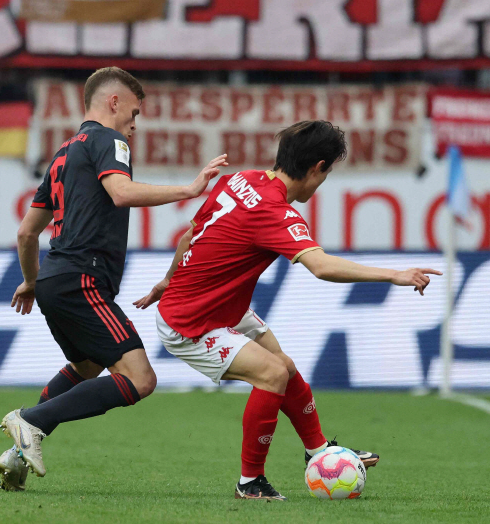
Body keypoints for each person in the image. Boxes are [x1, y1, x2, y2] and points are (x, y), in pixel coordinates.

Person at [136, 121, 439, 500]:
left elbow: (189, 234)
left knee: (285, 366)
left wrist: (168, 279)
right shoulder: (275, 212)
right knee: (272, 374)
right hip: (191, 320)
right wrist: (394, 275)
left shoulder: (240, 179)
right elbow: (322, 266)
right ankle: (250, 483)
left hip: (212, 303)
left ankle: (319, 451)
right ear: (317, 168)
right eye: (327, 173)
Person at [0, 67, 228, 490]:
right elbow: (121, 192)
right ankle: (29, 420)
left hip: (55, 279)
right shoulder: (109, 140)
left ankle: (15, 455)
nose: (135, 125)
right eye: (135, 113)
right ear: (114, 102)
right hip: (84, 277)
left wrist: (32, 280)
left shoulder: (65, 151)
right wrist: (189, 190)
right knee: (142, 379)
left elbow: (26, 232)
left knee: (87, 366)